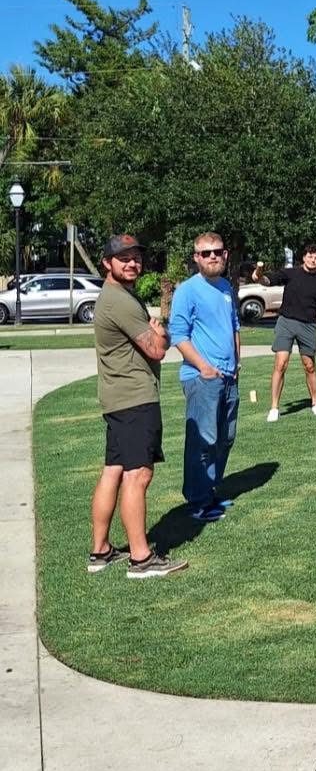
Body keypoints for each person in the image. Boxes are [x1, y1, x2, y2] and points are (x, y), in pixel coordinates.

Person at [89, 234, 187, 579]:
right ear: (107, 263)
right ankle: (141, 559)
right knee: (139, 474)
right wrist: (162, 333)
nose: (132, 263)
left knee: (114, 470)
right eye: (123, 258)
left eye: (136, 257)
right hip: (134, 398)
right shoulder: (120, 302)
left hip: (117, 397)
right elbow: (157, 350)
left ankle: (100, 550)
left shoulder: (113, 297)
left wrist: (156, 333)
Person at [168, 233, 242, 522]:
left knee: (226, 437)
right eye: (206, 253)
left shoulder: (226, 287)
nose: (212, 256)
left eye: (217, 252)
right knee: (204, 440)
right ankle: (198, 501)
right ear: (196, 258)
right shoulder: (187, 291)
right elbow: (178, 336)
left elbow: (234, 326)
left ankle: (210, 491)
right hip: (202, 378)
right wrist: (204, 367)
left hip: (229, 377)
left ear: (225, 255)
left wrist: (237, 362)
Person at [254, 244, 316, 420]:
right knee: (281, 364)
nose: (313, 260)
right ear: (304, 257)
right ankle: (274, 408)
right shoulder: (290, 273)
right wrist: (258, 276)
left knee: (309, 366)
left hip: (309, 326)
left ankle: (315, 403)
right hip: (286, 322)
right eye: (310, 256)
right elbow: (267, 280)